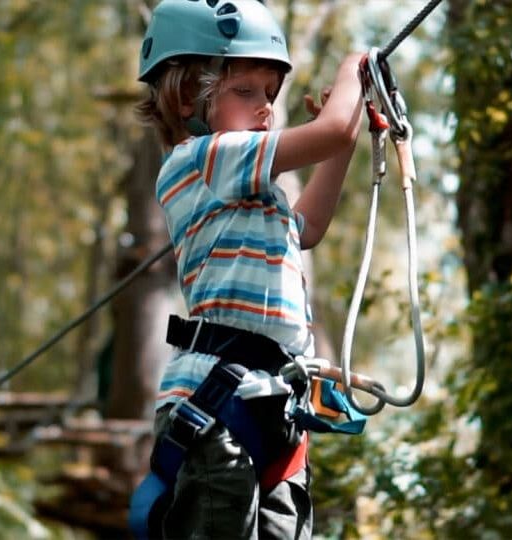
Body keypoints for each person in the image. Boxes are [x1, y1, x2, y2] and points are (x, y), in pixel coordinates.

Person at [131, 0, 363, 538]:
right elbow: (333, 132)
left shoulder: (250, 191)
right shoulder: (203, 157)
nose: (265, 109)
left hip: (274, 405)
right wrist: (354, 68)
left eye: (269, 95)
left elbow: (307, 228)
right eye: (246, 91)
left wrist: (340, 144)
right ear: (189, 97)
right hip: (218, 408)